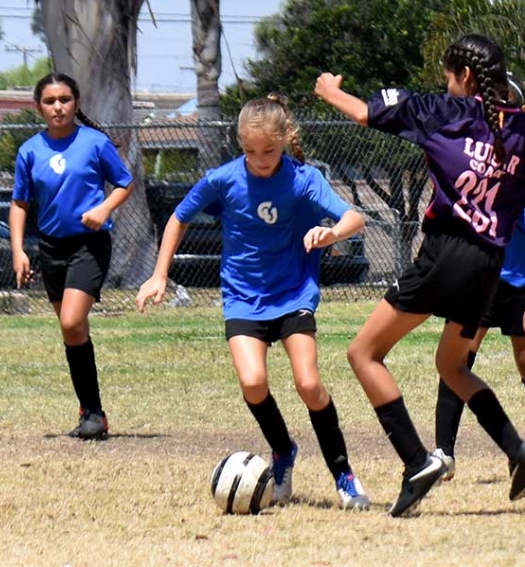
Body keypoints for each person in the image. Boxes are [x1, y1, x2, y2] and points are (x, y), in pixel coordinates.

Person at [314, 33, 525, 517]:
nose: (446, 84)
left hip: (445, 255)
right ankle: (521, 452)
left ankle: (417, 460)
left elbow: (365, 112)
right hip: (487, 270)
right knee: (452, 366)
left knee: (363, 353)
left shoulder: (442, 113)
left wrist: (328, 91)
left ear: (464, 77)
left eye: (449, 75)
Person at [135, 94, 371, 510]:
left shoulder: (303, 178)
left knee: (309, 383)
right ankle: (283, 450)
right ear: (238, 144)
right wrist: (159, 274)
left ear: (284, 140)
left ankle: (343, 476)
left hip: (293, 292)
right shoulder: (223, 178)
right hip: (243, 298)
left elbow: (354, 217)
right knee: (252, 383)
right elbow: (178, 218)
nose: (260, 159)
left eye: (269, 150)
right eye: (250, 151)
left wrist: (331, 234)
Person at [434, 76, 525, 484]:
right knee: (456, 362)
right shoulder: (470, 160)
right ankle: (443, 454)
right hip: (478, 278)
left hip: (519, 286)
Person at [10, 72, 134, 441]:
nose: (58, 107)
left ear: (76, 103)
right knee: (73, 331)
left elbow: (125, 183)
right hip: (51, 247)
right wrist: (18, 250)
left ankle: (92, 411)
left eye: (64, 99)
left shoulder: (95, 143)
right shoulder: (30, 150)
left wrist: (104, 209)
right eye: (50, 101)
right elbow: (19, 202)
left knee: (70, 321)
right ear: (39, 108)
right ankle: (91, 412)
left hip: (89, 244)